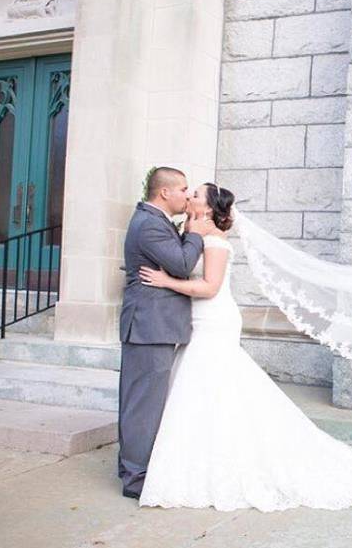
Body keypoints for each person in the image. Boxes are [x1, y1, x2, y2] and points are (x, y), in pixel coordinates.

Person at [136, 183, 352, 512]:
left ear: (210, 208)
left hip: (213, 319)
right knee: (203, 387)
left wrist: (166, 282)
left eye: (196, 195)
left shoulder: (214, 240)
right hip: (198, 320)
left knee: (210, 384)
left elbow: (210, 286)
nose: (190, 197)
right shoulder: (194, 232)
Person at [118, 167, 215, 498]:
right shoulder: (149, 225)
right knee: (143, 405)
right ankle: (135, 479)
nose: (188, 195)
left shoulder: (153, 221)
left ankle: (132, 469)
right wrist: (196, 233)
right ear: (165, 193)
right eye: (184, 189)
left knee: (143, 402)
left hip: (152, 325)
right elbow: (183, 264)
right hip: (149, 326)